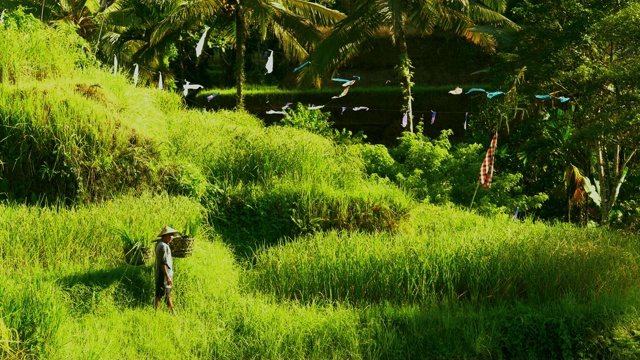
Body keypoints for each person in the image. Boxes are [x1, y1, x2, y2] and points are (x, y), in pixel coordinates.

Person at [154, 225, 178, 315]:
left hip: (162, 275)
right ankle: (173, 313)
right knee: (166, 295)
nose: (172, 237)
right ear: (166, 236)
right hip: (163, 275)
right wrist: (167, 277)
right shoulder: (163, 247)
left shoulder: (160, 245)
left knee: (160, 295)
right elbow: (162, 263)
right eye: (171, 235)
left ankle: (156, 313)